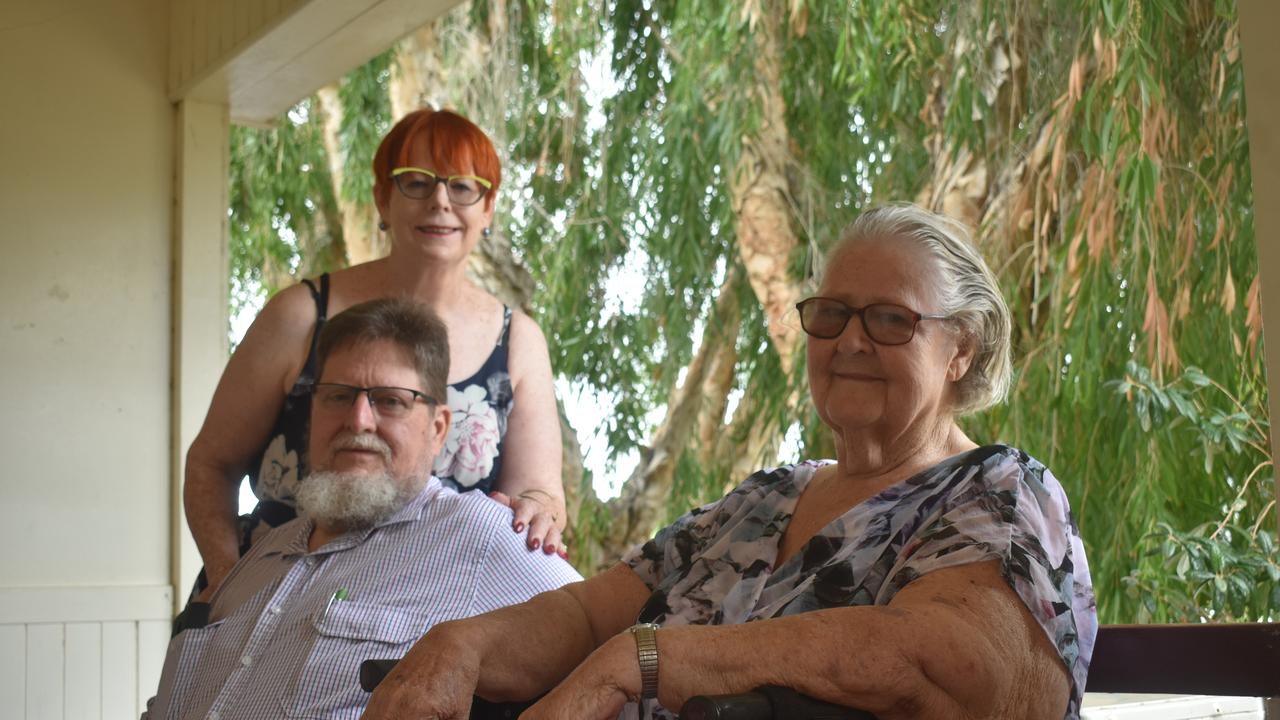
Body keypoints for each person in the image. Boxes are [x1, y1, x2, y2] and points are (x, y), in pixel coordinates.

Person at [362, 204, 1097, 720]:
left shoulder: (999, 492)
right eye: (833, 314)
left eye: (891, 319)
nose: (850, 342)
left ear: (961, 348)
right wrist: (462, 642)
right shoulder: (765, 499)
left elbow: (953, 670)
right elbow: (590, 612)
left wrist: (647, 660)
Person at [185, 108, 568, 604]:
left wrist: (540, 511)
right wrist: (226, 579)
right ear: (382, 199)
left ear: (487, 208)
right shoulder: (300, 315)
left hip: (426, 623)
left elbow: (539, 494)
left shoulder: (518, 341)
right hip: (266, 608)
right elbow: (210, 464)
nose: (439, 201)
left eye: (463, 187)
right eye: (416, 182)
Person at [146, 299, 581, 719]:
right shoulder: (260, 557)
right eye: (337, 396)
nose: (358, 420)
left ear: (438, 427)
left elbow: (620, 651)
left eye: (390, 400)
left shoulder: (481, 536)